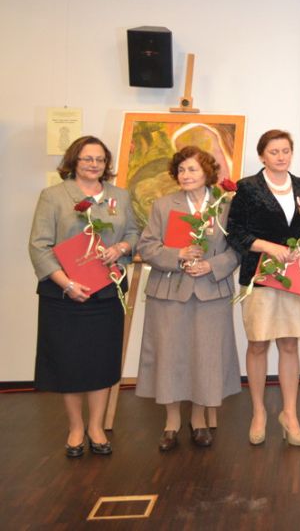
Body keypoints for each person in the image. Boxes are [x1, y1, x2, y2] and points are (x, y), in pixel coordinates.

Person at [28, 136, 139, 457]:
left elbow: (133, 233)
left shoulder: (120, 196)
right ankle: (76, 427)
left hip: (106, 292)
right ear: (74, 161)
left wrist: (121, 248)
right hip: (64, 294)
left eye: (100, 159)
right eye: (87, 158)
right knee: (70, 362)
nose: (94, 164)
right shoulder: (53, 196)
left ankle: (96, 427)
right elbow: (39, 245)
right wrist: (66, 284)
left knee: (101, 361)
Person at [135, 146, 241, 450]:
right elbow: (147, 247)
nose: (185, 175)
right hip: (169, 291)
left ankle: (198, 420)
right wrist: (178, 255)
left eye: (192, 169)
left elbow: (238, 249)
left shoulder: (225, 207)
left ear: (207, 172)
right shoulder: (163, 205)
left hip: (211, 291)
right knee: (170, 356)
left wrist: (212, 265)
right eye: (181, 170)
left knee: (206, 357)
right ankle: (171, 423)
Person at [227, 130, 300, 446]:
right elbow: (234, 232)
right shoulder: (247, 187)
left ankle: (289, 414)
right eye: (274, 151)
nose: (281, 157)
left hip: (294, 274)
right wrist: (268, 247)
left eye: (285, 151)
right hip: (259, 275)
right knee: (258, 344)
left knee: (290, 344)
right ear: (262, 156)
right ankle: (259, 412)